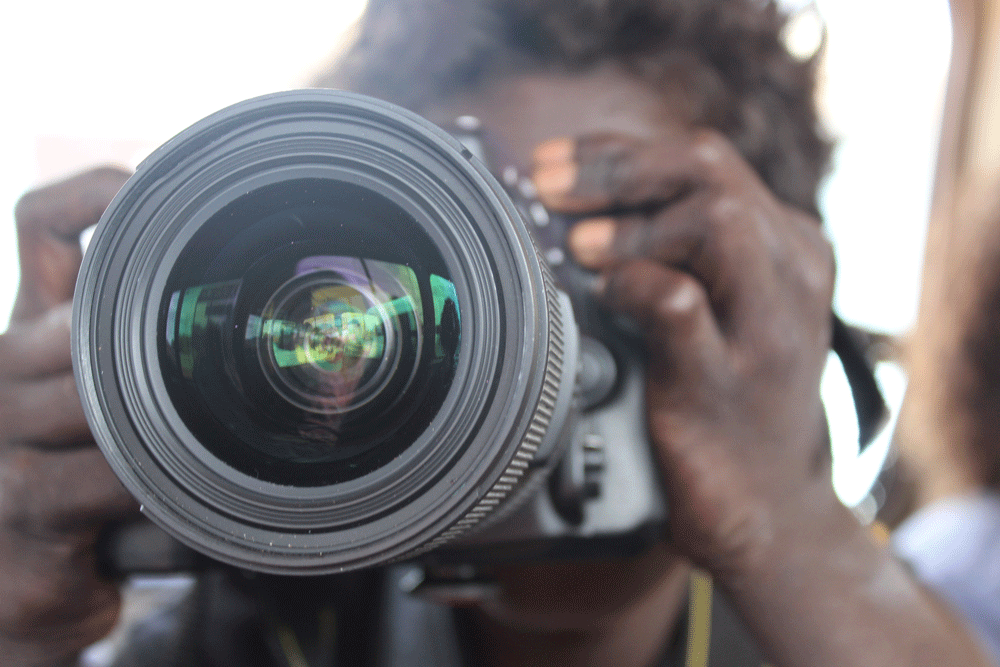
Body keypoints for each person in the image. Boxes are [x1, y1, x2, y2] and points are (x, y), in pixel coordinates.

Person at [0, 0, 993, 665]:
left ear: (772, 311)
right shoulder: (247, 633)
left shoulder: (829, 621)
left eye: (599, 254)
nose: (518, 351)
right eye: (451, 256)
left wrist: (792, 540)